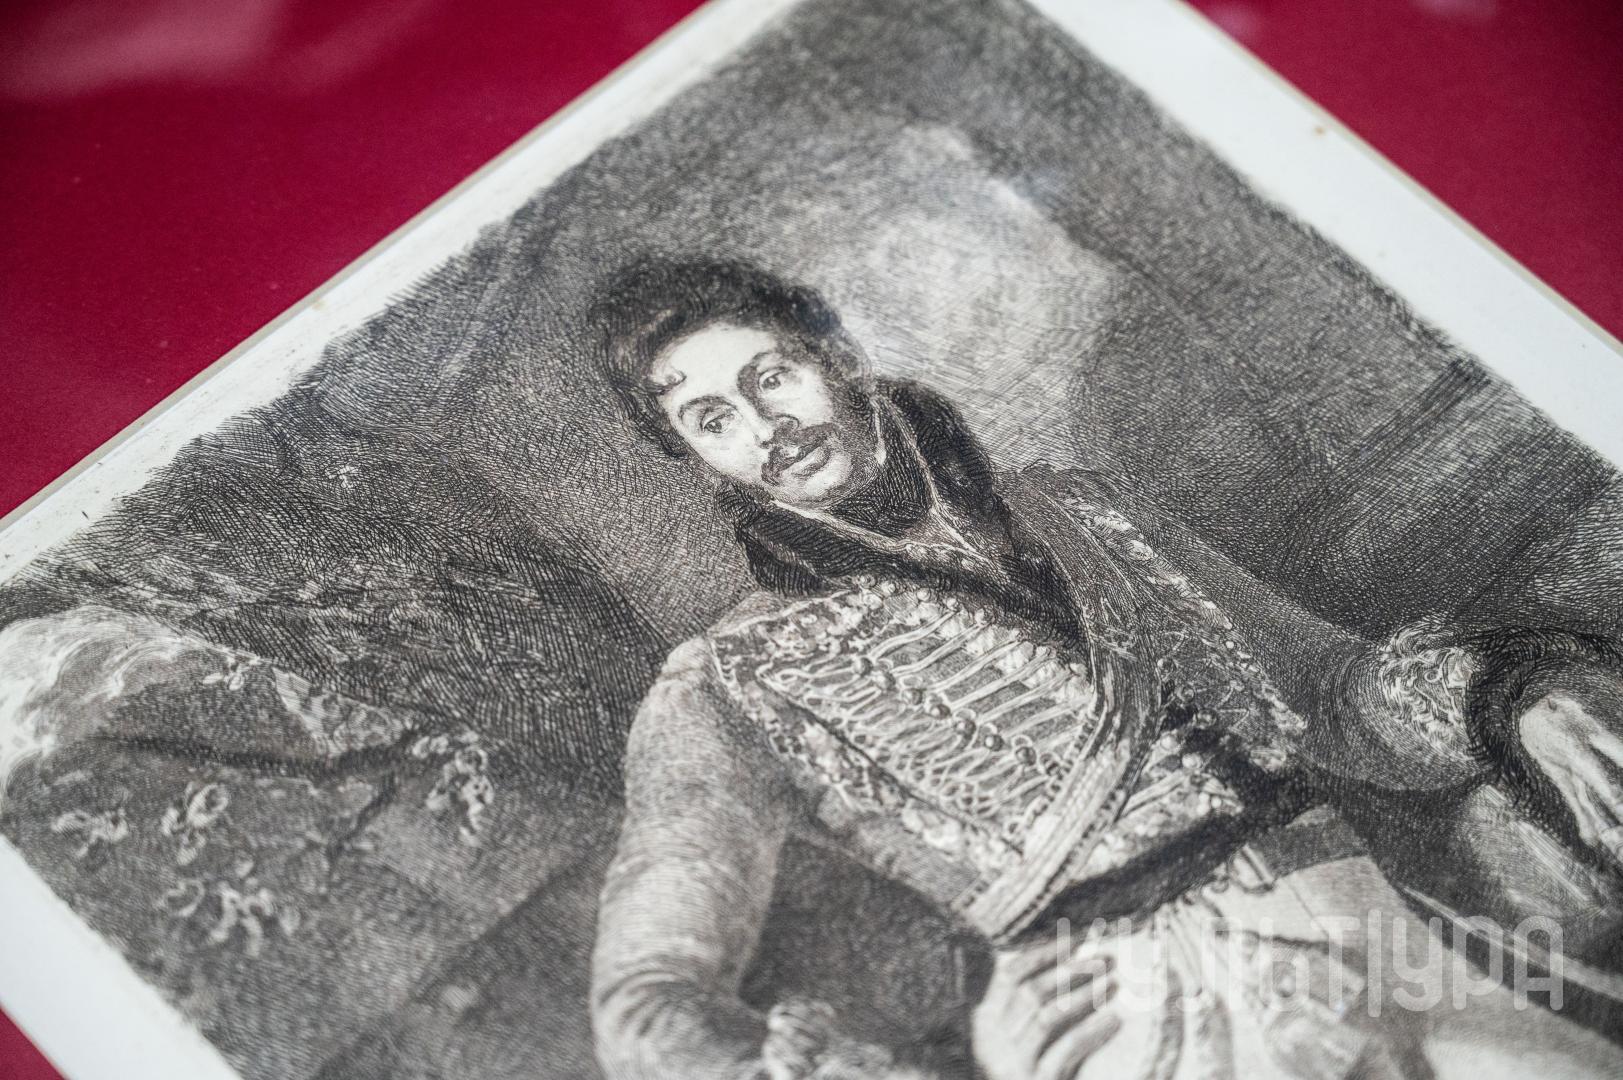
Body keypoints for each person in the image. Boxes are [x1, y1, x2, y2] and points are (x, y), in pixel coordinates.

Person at [587, 258, 1623, 1079]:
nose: (765, 429)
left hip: (1390, 940)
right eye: (711, 420)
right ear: (694, 459)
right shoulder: (727, 679)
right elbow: (644, 1007)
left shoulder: (1079, 508)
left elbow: (1327, 699)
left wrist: (1508, 698)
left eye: (772, 376)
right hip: (1150, 1034)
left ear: (837, 353)